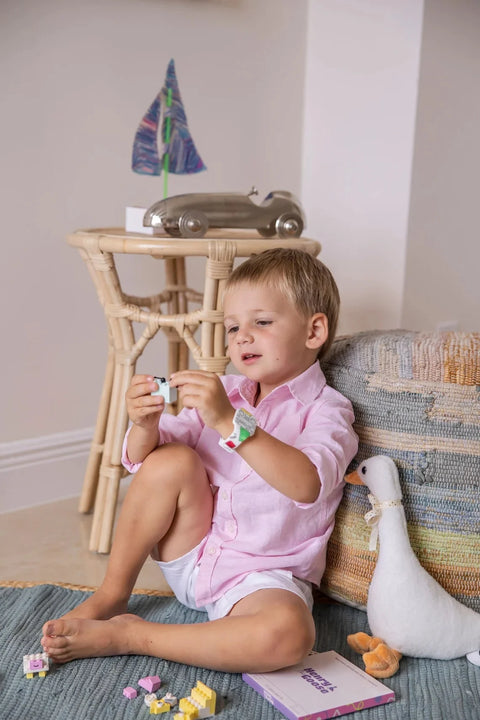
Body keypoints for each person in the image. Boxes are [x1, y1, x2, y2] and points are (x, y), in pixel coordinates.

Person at [41, 248, 358, 673]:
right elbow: (145, 462)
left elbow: (308, 483)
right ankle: (113, 592)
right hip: (193, 549)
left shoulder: (328, 411)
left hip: (262, 579)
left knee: (289, 635)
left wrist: (231, 424)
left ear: (314, 330)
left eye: (261, 322)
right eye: (232, 327)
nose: (242, 336)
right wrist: (144, 424)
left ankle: (133, 635)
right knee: (171, 460)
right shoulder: (222, 390)